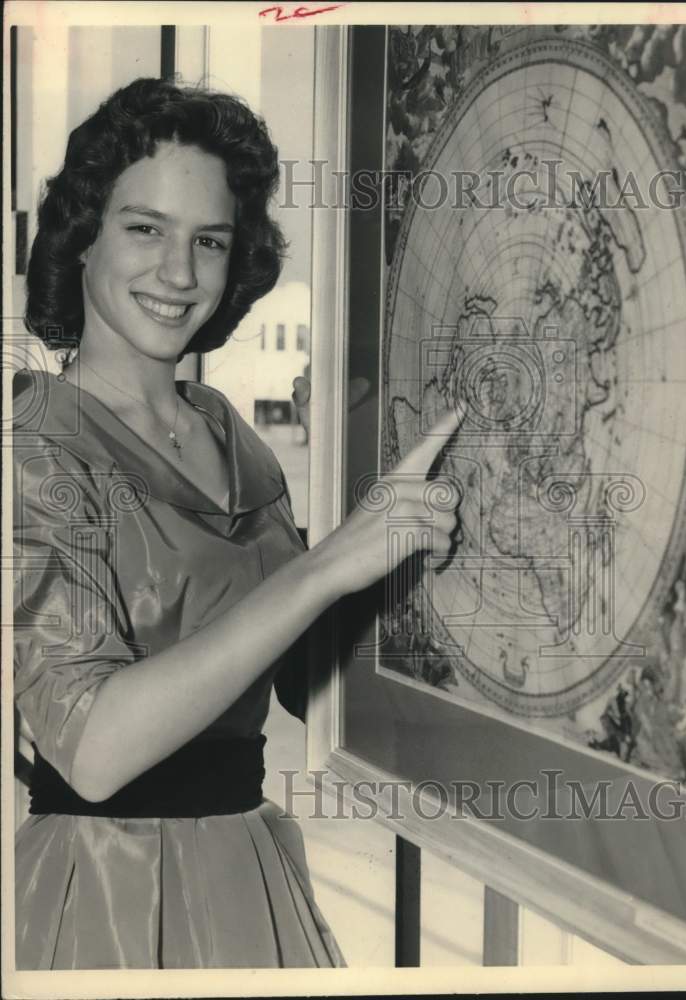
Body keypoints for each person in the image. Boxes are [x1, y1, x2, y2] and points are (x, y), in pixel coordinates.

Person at [13, 77, 460, 970]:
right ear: (82, 238)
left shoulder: (228, 430)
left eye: (207, 240)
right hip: (110, 892)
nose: (179, 274)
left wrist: (391, 531)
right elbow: (92, 751)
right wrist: (324, 565)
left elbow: (298, 684)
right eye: (145, 229)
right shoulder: (32, 440)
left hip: (249, 865)